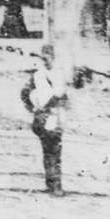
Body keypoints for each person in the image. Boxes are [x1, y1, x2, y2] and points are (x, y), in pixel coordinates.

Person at [20, 45, 69, 196]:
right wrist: (32, 108)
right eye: (43, 58)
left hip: (55, 116)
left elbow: (59, 95)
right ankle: (50, 183)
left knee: (55, 150)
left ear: (53, 57)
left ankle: (56, 185)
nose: (45, 60)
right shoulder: (37, 75)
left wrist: (44, 108)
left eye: (47, 57)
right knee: (47, 151)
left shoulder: (58, 74)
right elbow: (24, 92)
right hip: (43, 116)